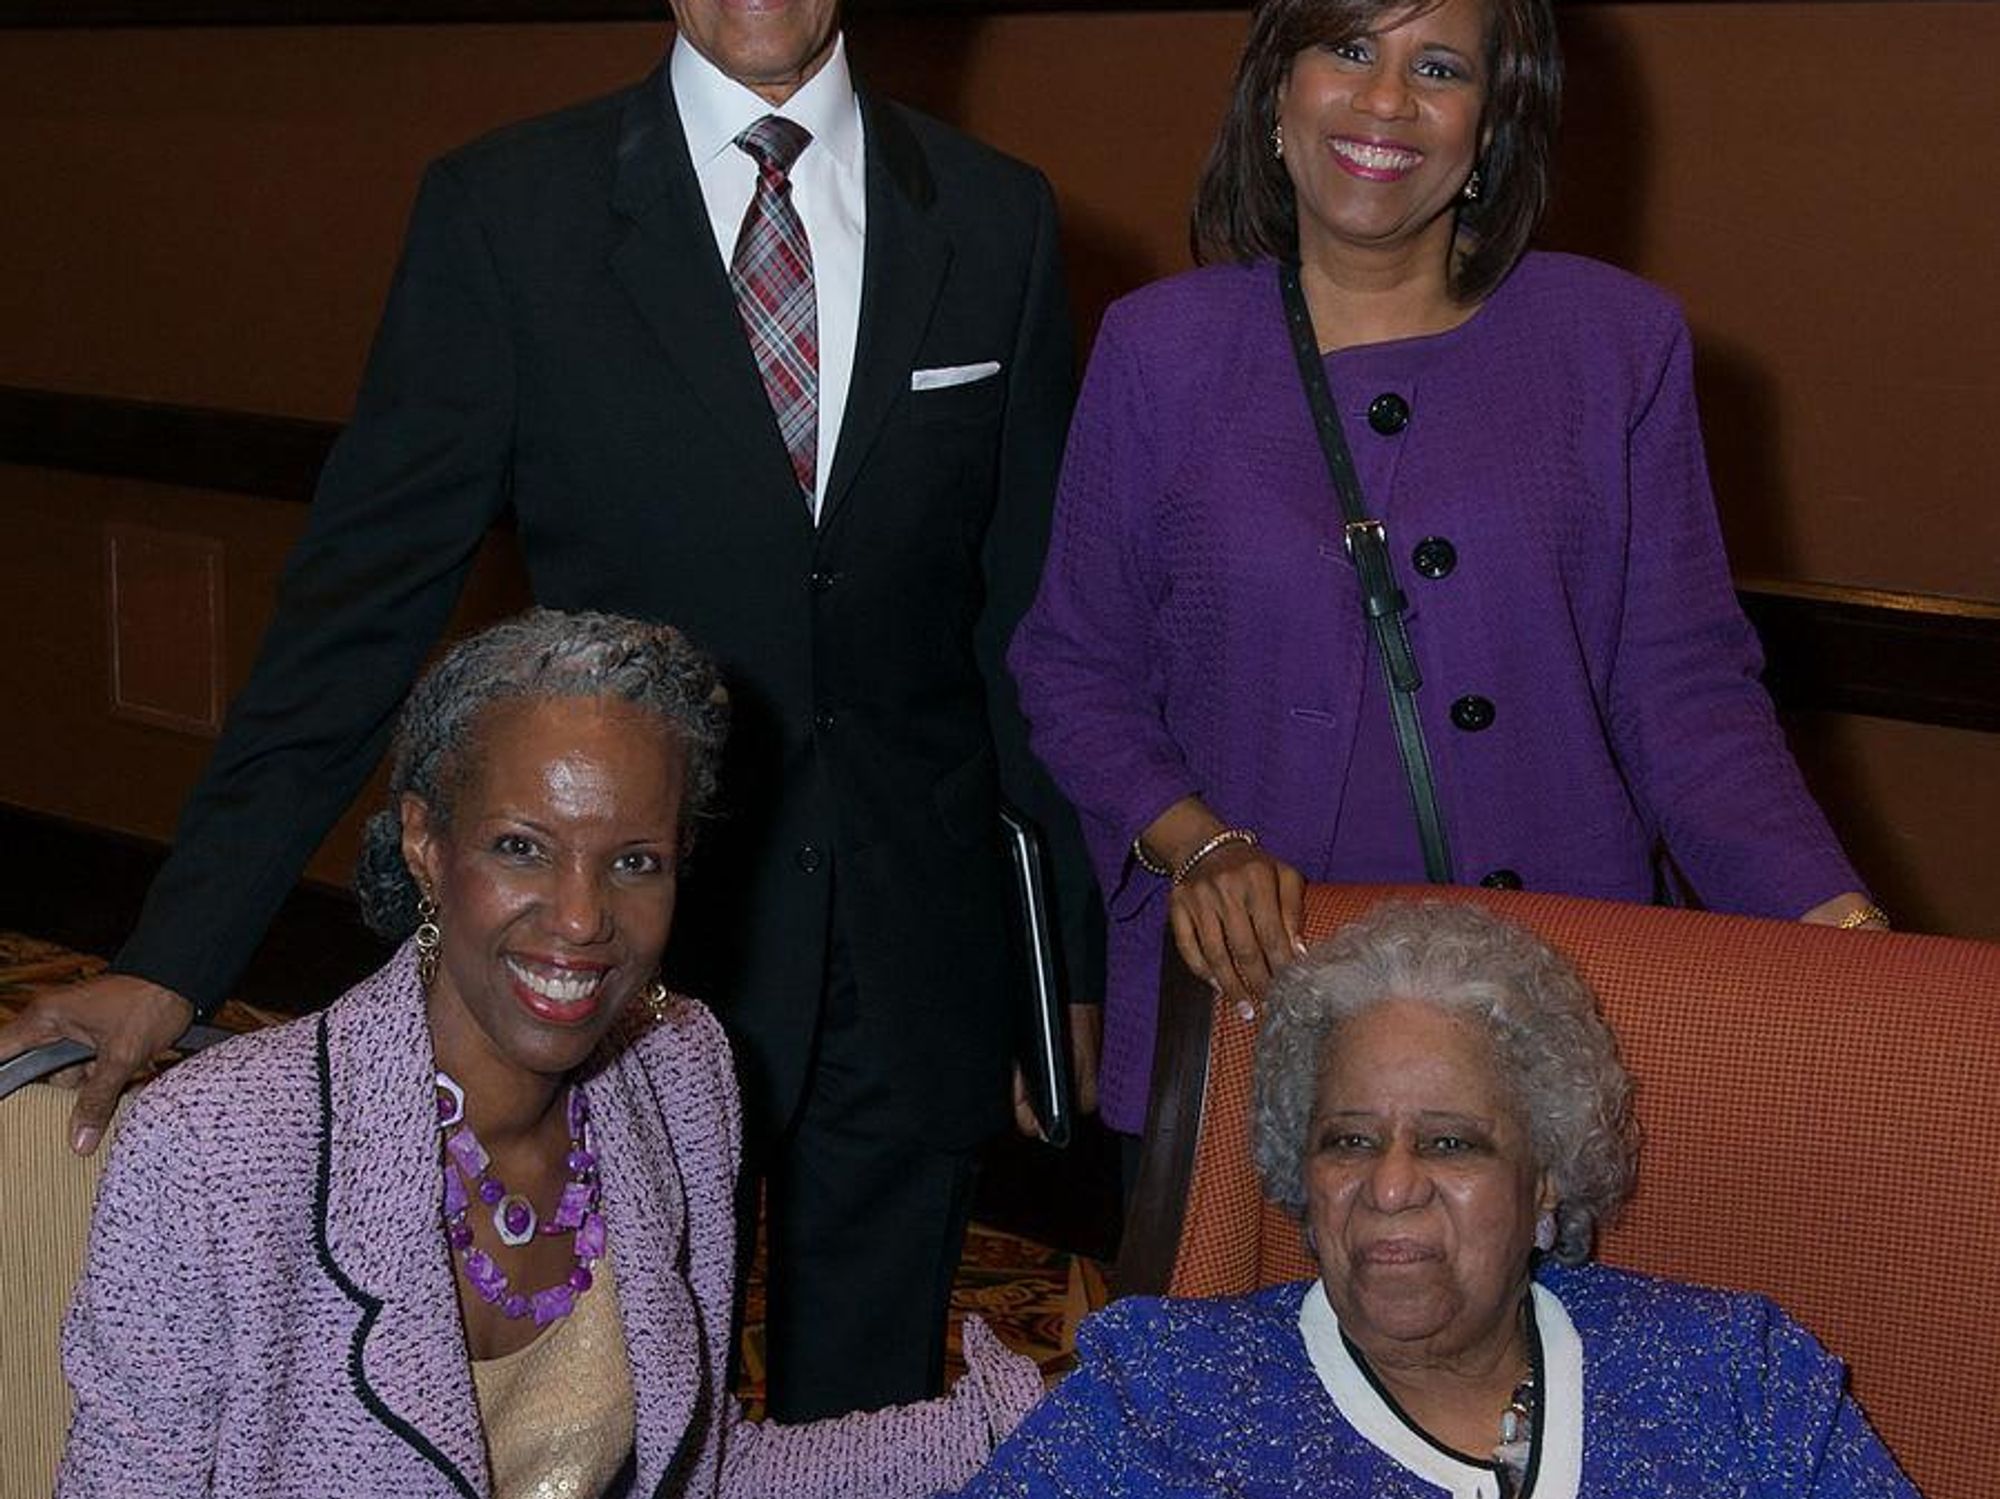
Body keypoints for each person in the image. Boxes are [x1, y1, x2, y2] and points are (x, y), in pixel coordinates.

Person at [2, 0, 1097, 1421]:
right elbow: (357, 612)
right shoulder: (507, 213)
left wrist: (1058, 955)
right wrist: (176, 954)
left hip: (913, 954)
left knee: (869, 1420)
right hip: (613, 968)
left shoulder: (995, 218)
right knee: (616, 1411)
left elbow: (1033, 625)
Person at [1005, 0, 1877, 1152]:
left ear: (1493, 122)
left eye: (1438, 67)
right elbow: (1073, 669)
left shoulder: (1613, 344)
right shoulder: (1157, 349)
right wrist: (1197, 843)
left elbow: (1684, 694)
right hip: (1254, 998)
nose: (1384, 101)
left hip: (1548, 1001)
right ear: (1275, 94)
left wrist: (1836, 919)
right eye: (1348, 50)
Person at [57, 610, 1045, 1498]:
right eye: (521, 846)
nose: (581, 917)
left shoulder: (681, 1070)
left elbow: (697, 1468)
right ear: (425, 845)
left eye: (633, 861)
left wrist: (1000, 1428)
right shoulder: (210, 1148)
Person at [952, 900, 1921, 1496]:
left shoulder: (1734, 1379)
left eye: (1450, 1140)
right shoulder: (1164, 1393)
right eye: (1347, 1139)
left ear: (1542, 1174)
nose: (1389, 1182)